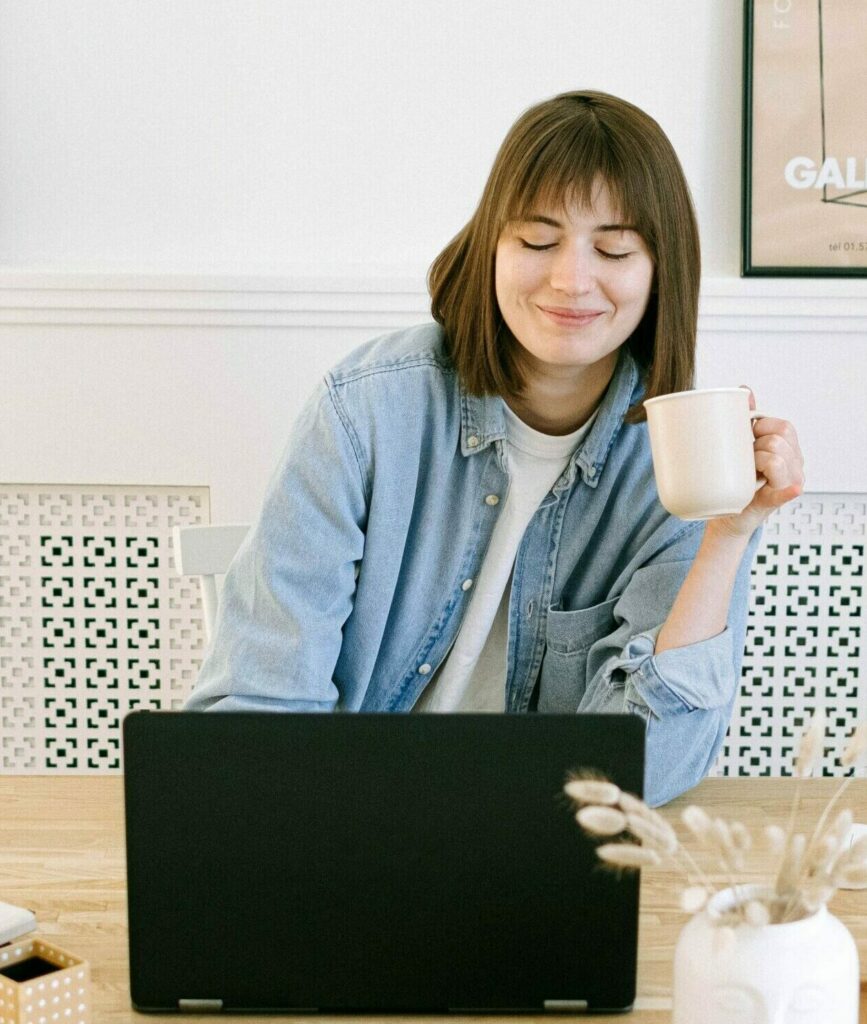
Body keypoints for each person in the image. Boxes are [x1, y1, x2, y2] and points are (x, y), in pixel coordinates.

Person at [185, 90, 804, 806]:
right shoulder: (365, 409)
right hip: (344, 819)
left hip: (537, 844)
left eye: (612, 248)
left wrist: (727, 535)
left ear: (660, 269)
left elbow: (643, 772)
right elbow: (259, 715)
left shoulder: (687, 457)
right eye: (537, 241)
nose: (570, 280)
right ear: (490, 247)